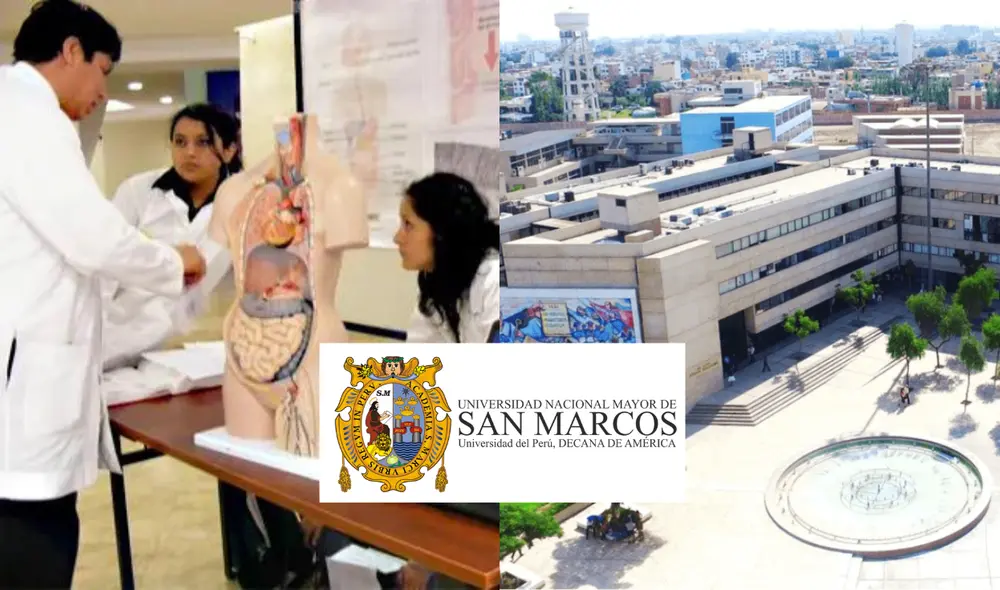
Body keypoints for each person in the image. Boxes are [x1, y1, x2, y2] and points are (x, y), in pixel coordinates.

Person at [0, 2, 206, 588]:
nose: (101, 90)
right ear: (71, 52)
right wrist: (174, 262)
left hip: (33, 364)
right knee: (33, 537)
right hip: (24, 388)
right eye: (104, 69)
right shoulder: (27, 115)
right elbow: (92, 238)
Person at [102, 103, 241, 370]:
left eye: (203, 142)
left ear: (229, 150)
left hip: (192, 348)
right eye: (180, 142)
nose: (189, 152)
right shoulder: (137, 191)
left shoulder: (242, 201)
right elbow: (109, 262)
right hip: (115, 331)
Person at [394, 172, 500, 343]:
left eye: (408, 225)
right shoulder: (439, 284)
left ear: (442, 230)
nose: (397, 238)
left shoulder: (495, 282)